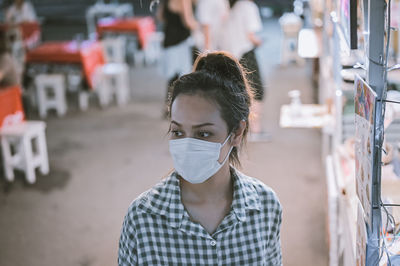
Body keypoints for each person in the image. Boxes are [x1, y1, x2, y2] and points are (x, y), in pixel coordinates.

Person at [118, 52, 282, 265]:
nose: (187, 144)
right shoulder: (142, 217)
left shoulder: (265, 206)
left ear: (236, 133)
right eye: (177, 132)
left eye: (203, 134)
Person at [220, 0, 267, 140]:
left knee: (239, 92)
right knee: (256, 91)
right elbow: (251, 36)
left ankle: (242, 130)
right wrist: (260, 41)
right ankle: (255, 130)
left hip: (232, 54)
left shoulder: (233, 6)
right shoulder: (248, 6)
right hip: (245, 53)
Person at [157, 0, 198, 117]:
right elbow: (188, 22)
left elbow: (160, 17)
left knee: (172, 77)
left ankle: (168, 106)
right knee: (184, 75)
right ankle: (183, 107)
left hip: (168, 40)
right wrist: (202, 26)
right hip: (180, 41)